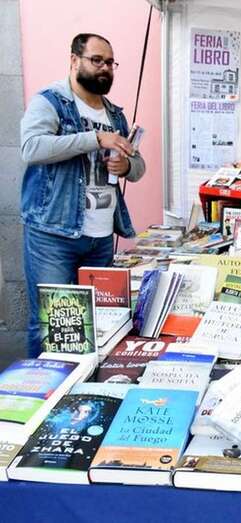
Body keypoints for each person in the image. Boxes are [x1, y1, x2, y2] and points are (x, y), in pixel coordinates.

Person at [20, 33, 146, 356]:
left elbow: (138, 166)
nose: (105, 68)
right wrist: (95, 139)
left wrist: (125, 166)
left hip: (100, 238)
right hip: (54, 235)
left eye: (110, 63)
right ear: (74, 60)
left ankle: (83, 382)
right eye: (97, 60)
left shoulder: (115, 114)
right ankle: (44, 386)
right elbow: (31, 148)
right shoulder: (51, 101)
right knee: (51, 323)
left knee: (98, 323)